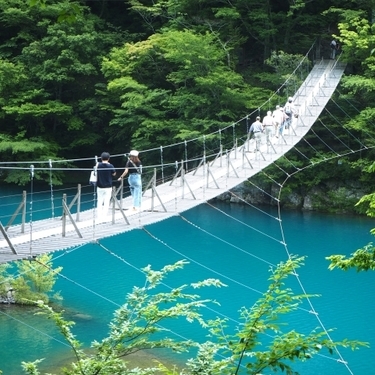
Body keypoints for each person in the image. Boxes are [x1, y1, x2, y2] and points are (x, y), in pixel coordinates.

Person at [96, 152, 116, 221]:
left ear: (101, 158)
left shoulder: (98, 165)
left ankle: (99, 217)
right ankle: (104, 217)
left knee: (99, 201)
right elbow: (114, 174)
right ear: (108, 158)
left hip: (99, 186)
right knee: (106, 202)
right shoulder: (111, 166)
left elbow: (95, 171)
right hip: (108, 187)